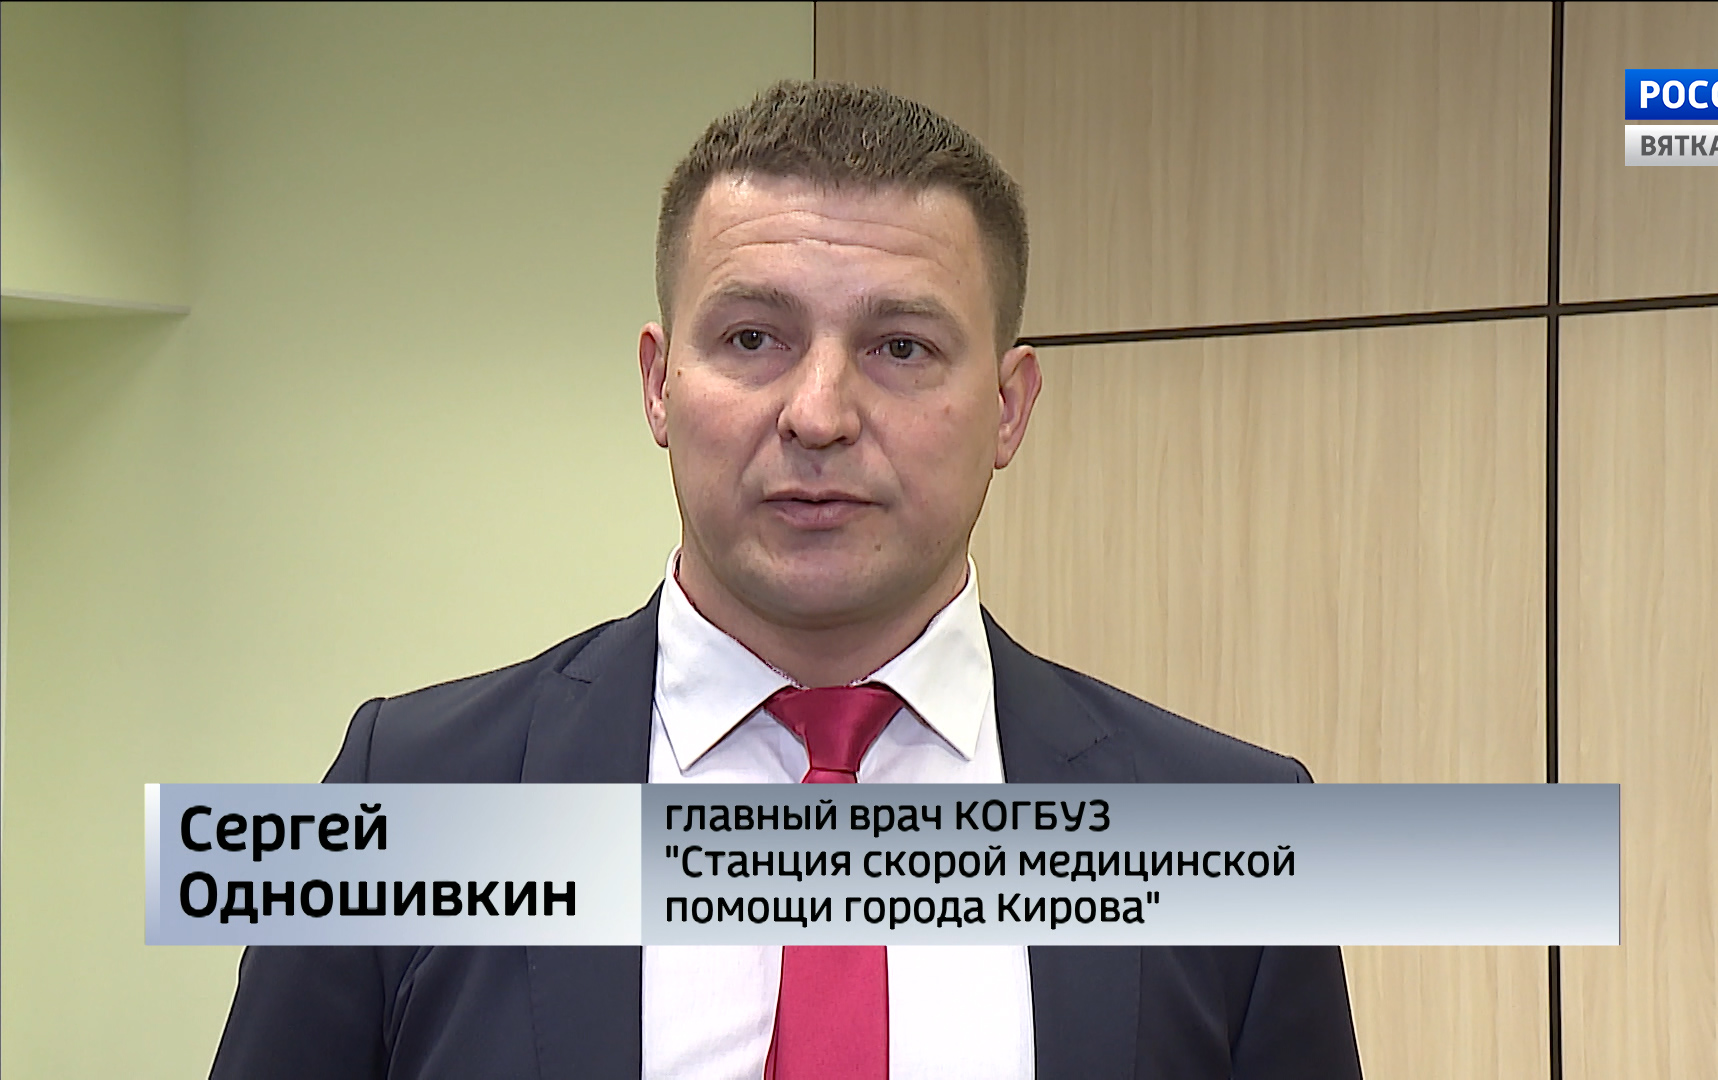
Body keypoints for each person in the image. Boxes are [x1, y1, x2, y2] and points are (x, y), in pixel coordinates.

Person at [209, 80, 1363, 1080]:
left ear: (1008, 408)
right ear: (659, 384)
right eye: (754, 338)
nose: (818, 414)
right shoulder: (410, 793)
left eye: (901, 347)